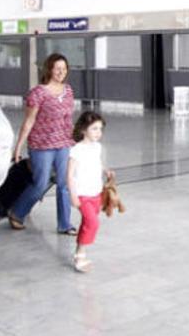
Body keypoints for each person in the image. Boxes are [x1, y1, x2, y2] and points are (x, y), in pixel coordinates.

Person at [8, 53, 76, 234]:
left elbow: (68, 119)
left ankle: (65, 224)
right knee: (40, 183)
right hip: (41, 145)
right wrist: (18, 147)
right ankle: (17, 213)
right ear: (49, 70)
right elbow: (28, 121)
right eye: (57, 68)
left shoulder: (68, 90)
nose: (61, 72)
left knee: (64, 184)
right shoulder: (37, 93)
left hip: (63, 143)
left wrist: (75, 140)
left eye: (64, 68)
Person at [66, 111, 114, 273]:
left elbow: (96, 163)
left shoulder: (97, 147)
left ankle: (80, 251)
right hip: (82, 194)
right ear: (83, 130)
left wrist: (106, 170)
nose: (98, 133)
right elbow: (70, 174)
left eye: (100, 129)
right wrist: (73, 195)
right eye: (94, 129)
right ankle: (80, 254)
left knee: (87, 223)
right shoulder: (76, 150)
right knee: (93, 223)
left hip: (96, 193)